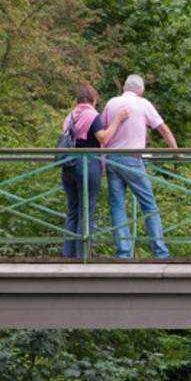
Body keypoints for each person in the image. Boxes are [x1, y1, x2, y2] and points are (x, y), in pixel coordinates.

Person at [101, 74, 178, 259]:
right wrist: (175, 151)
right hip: (132, 159)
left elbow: (103, 133)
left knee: (117, 206)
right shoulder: (144, 104)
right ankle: (160, 252)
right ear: (141, 90)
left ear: (124, 88)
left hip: (112, 159)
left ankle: (124, 253)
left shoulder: (111, 103)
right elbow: (163, 129)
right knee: (149, 205)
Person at [60, 84, 129, 258]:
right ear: (93, 99)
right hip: (87, 165)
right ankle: (82, 256)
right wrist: (118, 120)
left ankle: (68, 256)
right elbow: (103, 137)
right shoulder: (92, 115)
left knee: (73, 210)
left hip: (68, 166)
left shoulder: (70, 116)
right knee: (86, 211)